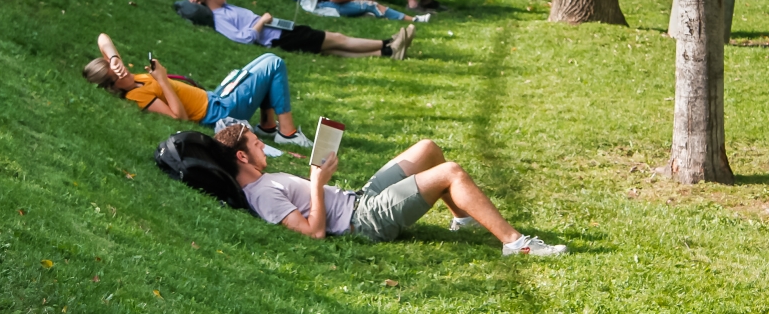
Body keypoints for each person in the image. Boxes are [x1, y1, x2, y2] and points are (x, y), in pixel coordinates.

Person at [215, 125, 568, 256]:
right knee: (450, 172)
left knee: (427, 148)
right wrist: (317, 184)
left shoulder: (264, 181)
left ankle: (463, 219)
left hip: (360, 198)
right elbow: (314, 234)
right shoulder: (261, 194)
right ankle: (515, 243)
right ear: (242, 155)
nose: (264, 148)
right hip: (364, 221)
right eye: (258, 144)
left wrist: (318, 183)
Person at [82, 33, 313, 147]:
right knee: (273, 63)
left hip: (216, 97)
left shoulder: (133, 79)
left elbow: (103, 38)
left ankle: (267, 127)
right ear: (112, 88)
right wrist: (162, 79)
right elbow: (178, 118)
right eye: (114, 78)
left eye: (116, 68)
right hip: (219, 111)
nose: (120, 72)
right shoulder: (136, 95)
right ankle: (287, 134)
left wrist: (112, 58)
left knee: (262, 62)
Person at [176, 0, 416, 60]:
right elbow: (245, 39)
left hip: (280, 31)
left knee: (328, 49)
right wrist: (262, 21)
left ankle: (388, 52)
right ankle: (387, 43)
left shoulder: (224, 7)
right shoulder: (220, 19)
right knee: (336, 38)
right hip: (278, 36)